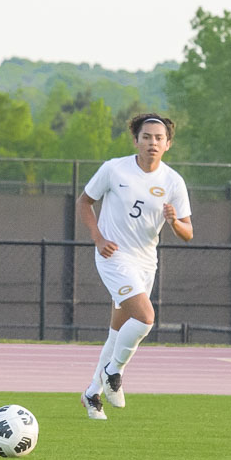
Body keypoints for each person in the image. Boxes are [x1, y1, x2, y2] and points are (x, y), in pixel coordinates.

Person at [76, 112, 193, 420]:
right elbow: (84, 202)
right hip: (114, 256)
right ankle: (114, 372)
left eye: (158, 138)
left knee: (117, 332)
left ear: (168, 144)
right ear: (136, 140)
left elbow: (188, 232)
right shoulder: (114, 169)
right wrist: (98, 238)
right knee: (145, 318)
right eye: (146, 137)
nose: (152, 142)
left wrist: (174, 221)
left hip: (145, 263)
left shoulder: (173, 181)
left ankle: (92, 393)